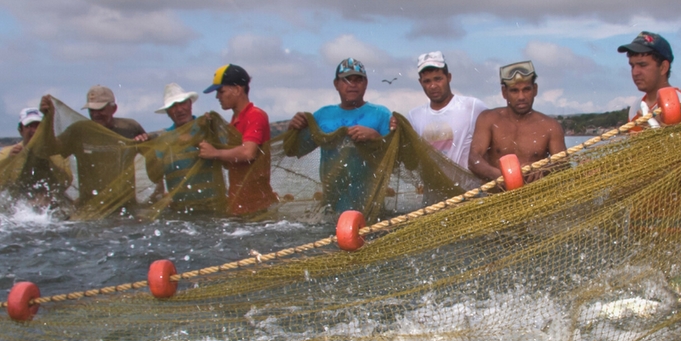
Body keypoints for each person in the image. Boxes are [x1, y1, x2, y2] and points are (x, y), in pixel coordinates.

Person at [288, 58, 392, 212]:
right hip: (333, 204)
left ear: (366, 83)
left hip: (371, 204)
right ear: (336, 84)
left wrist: (375, 136)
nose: (352, 85)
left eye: (358, 80)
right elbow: (295, 150)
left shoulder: (381, 114)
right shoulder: (322, 115)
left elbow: (394, 158)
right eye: (346, 80)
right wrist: (294, 128)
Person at [38, 86, 148, 216]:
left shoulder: (130, 128)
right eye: (91, 110)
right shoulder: (79, 131)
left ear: (114, 109)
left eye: (100, 109)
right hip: (89, 209)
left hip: (125, 209)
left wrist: (146, 139)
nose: (96, 114)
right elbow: (49, 149)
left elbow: (153, 155)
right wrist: (48, 117)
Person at [198, 64, 277, 216]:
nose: (217, 97)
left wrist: (215, 152)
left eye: (221, 91)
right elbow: (230, 164)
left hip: (257, 206)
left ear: (237, 89)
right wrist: (211, 131)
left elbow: (248, 153)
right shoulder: (234, 121)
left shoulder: (255, 115)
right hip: (238, 204)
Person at [468, 61, 566, 182]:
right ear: (504, 92)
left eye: (526, 90)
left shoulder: (551, 127)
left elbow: (563, 167)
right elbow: (473, 159)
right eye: (514, 91)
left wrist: (543, 169)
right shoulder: (488, 119)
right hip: (496, 195)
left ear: (535, 90)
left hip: (535, 196)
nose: (521, 97)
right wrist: (499, 176)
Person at [146, 83, 225, 214]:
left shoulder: (207, 128)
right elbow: (155, 177)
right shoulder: (164, 140)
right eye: (173, 106)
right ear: (167, 112)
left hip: (214, 208)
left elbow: (227, 161)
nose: (179, 109)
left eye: (182, 103)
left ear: (190, 104)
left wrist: (195, 141)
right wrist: (147, 151)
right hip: (180, 212)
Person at [406, 51, 487, 168]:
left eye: (438, 79)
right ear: (420, 82)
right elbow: (411, 162)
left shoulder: (472, 106)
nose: (433, 86)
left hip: (469, 186)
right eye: (427, 81)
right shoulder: (413, 116)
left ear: (449, 77)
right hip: (432, 185)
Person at [0, 107, 72, 204]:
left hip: (50, 206)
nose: (34, 131)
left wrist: (48, 159)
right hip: (19, 207)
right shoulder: (6, 153)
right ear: (20, 130)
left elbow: (66, 183)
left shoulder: (56, 153)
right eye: (29, 126)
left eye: (37, 126)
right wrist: (10, 162)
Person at [618, 32, 681, 129]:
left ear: (663, 67)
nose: (635, 72)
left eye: (642, 65)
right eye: (632, 66)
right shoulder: (635, 108)